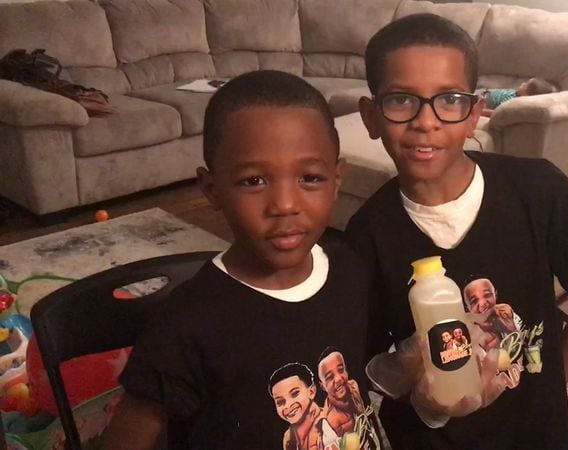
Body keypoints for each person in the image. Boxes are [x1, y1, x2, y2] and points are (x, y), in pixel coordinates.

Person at [346, 13, 568, 449]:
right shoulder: (367, 234)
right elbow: (370, 359)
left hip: (534, 433)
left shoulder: (538, 190)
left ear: (474, 113)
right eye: (402, 100)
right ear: (371, 116)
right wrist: (412, 383)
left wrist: (552, 384)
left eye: (449, 99)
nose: (426, 121)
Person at [103, 70, 380, 449]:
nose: (285, 205)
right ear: (212, 190)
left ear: (337, 179)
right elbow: (129, 437)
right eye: (254, 181)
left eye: (310, 178)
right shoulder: (187, 322)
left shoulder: (350, 271)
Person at [269, 363, 323, 450]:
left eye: (295, 394)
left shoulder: (331, 423)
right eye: (280, 402)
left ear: (311, 392)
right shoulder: (289, 438)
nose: (288, 405)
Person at [480, 76, 559, 117]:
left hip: (483, 102)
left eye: (525, 85)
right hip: (484, 92)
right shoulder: (516, 93)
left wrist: (481, 111)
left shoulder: (512, 104)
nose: (522, 84)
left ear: (526, 96)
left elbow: (496, 113)